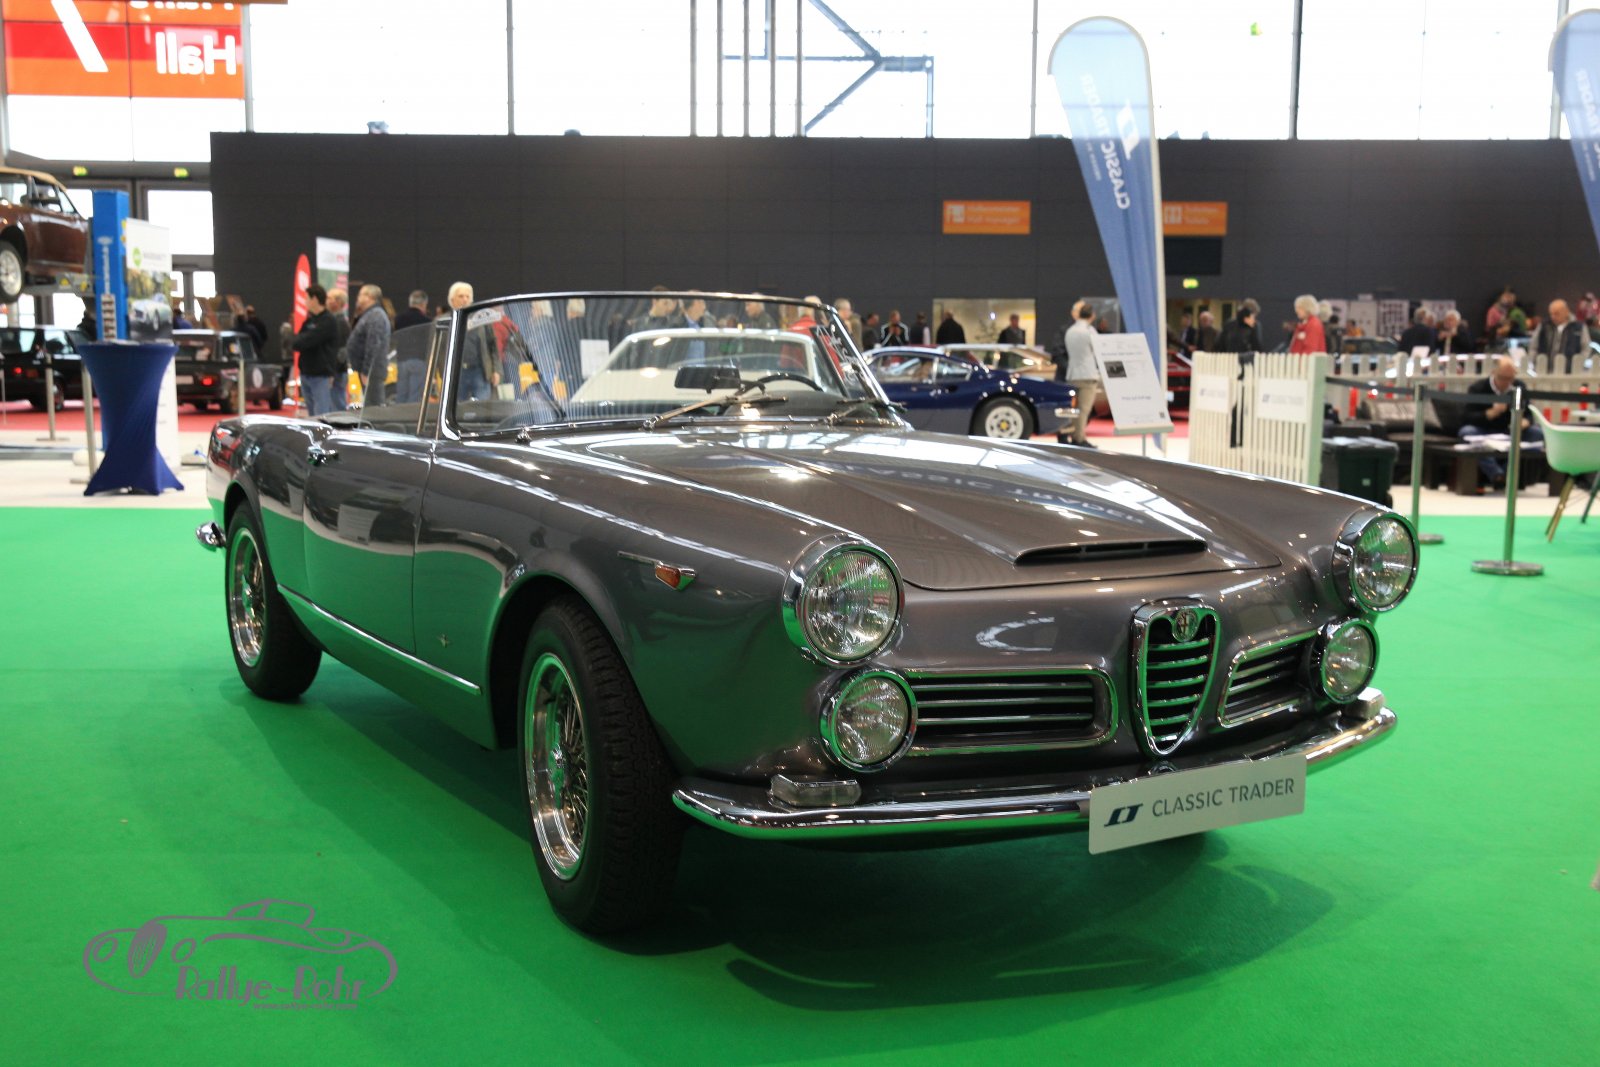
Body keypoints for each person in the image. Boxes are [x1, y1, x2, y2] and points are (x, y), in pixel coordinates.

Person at [1459, 356, 1542, 488]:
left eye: (1510, 378)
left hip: (1510, 431)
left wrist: (1525, 421)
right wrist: (1489, 413)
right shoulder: (1478, 388)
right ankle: (1496, 474)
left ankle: (1506, 472)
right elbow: (1467, 417)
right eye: (1503, 378)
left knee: (1537, 433)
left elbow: (1528, 413)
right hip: (1485, 430)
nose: (1507, 382)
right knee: (1467, 432)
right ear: (1494, 372)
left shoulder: (1519, 386)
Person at [290, 284, 341, 417]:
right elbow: (296, 342)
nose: (305, 301)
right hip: (306, 373)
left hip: (320, 375)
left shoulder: (328, 320)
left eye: (306, 298)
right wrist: (303, 340)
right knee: (312, 414)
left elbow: (307, 340)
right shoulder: (309, 320)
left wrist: (304, 340)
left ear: (314, 299)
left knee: (321, 415)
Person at [450, 281, 499, 401]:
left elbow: (493, 346)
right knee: (457, 407)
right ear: (452, 300)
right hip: (456, 373)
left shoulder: (482, 320)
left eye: (468, 297)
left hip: (480, 371)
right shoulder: (445, 321)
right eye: (461, 296)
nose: (465, 300)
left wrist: (496, 370)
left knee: (482, 407)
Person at [1060, 302, 1100, 447]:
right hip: (1087, 374)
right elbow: (1097, 350)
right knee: (1084, 409)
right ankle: (1079, 438)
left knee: (1073, 409)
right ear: (1092, 315)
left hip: (1072, 373)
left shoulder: (1070, 331)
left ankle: (1070, 434)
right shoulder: (1090, 331)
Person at [348, 284, 393, 409]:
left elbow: (373, 344)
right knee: (370, 407)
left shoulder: (376, 315)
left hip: (372, 372)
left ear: (370, 297)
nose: (358, 298)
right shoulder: (370, 314)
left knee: (374, 408)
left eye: (361, 294)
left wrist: (367, 371)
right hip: (369, 370)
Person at [392, 289, 431, 404]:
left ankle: (399, 414)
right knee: (415, 395)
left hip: (402, 360)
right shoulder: (426, 321)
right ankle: (411, 415)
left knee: (401, 394)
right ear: (423, 304)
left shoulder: (398, 319)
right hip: (419, 360)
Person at [1531, 298, 1591, 372]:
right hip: (1545, 371)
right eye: (1551, 314)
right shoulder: (1544, 326)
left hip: (1570, 373)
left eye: (1556, 313)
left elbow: (1586, 348)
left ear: (1566, 312)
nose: (1553, 317)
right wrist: (1535, 362)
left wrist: (1578, 364)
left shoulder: (1579, 327)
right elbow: (1533, 346)